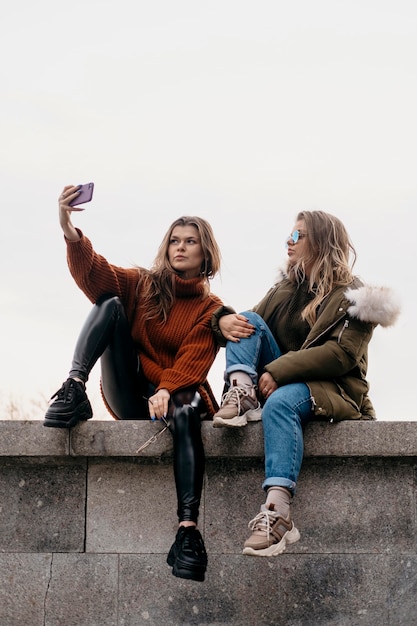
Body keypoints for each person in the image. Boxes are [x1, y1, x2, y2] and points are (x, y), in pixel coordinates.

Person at [44, 184, 224, 582]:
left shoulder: (211, 309)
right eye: (174, 240)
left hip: (175, 397)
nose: (180, 247)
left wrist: (165, 388)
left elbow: (194, 360)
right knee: (107, 302)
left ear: (205, 252)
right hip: (131, 394)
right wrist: (68, 228)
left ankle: (188, 532)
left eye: (190, 241)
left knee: (189, 404)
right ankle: (75, 386)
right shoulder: (143, 284)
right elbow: (97, 275)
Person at [211, 210, 400, 557]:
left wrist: (278, 370)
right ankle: (241, 394)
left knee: (282, 401)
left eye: (299, 236)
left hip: (335, 389)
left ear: (322, 243)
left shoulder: (354, 296)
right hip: (279, 382)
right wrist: (221, 321)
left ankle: (278, 514)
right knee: (248, 320)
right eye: (290, 234)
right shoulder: (286, 288)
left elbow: (340, 355)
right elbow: (246, 329)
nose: (289, 240)